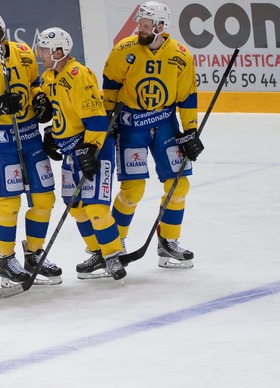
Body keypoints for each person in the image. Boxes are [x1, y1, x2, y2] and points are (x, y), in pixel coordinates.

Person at [102, 1, 204, 269]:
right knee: (132, 190)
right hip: (131, 125)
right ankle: (115, 245)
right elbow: (110, 84)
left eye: (145, 25)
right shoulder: (125, 48)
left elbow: (187, 96)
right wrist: (108, 118)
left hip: (165, 124)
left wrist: (190, 130)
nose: (140, 29)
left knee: (179, 185)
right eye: (140, 24)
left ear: (160, 26)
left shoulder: (181, 55)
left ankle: (168, 242)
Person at [0, 12, 62, 287]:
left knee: (44, 200)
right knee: (8, 206)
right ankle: (7, 260)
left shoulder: (23, 52)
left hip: (30, 136)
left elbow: (33, 84)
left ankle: (33, 253)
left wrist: (40, 99)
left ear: (0, 32)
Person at [33, 27, 126, 281]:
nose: (40, 54)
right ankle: (97, 252)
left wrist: (91, 149)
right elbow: (60, 110)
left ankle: (113, 255)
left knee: (96, 207)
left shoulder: (78, 75)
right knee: (75, 207)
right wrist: (52, 130)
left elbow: (96, 119)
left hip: (94, 148)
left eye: (44, 49)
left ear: (58, 51)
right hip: (71, 151)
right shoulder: (50, 76)